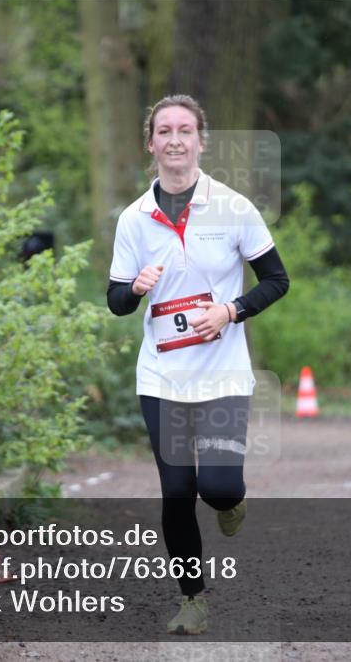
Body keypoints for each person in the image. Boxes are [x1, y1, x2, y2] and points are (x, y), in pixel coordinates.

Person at [107, 94, 289, 635]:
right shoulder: (134, 219)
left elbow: (277, 280)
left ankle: (233, 501)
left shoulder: (234, 208)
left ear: (201, 141)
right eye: (164, 131)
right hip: (160, 377)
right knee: (177, 492)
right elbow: (115, 300)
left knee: (219, 487)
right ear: (151, 143)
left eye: (185, 130)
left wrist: (232, 310)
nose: (175, 140)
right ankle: (192, 599)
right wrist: (134, 290)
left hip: (222, 376)